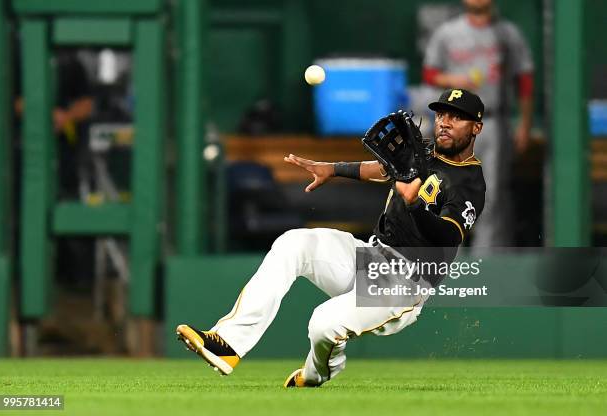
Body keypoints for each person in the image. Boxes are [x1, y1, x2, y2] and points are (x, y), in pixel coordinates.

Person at [176, 89, 486, 387]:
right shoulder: (425, 152)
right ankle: (227, 344)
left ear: (476, 127)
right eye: (441, 114)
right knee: (294, 244)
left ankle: (317, 373)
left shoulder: (470, 182)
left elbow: (448, 235)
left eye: (457, 117)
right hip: (371, 257)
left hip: (406, 282)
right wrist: (333, 169)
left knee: (323, 323)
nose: (445, 122)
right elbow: (382, 169)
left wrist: (414, 204)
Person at [423, 0, 533, 247]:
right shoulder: (448, 32)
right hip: (452, 124)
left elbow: (524, 79)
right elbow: (429, 74)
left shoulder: (507, 33)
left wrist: (524, 123)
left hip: (493, 121)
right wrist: (455, 79)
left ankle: (488, 262)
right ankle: (447, 262)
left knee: (492, 196)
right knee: (445, 190)